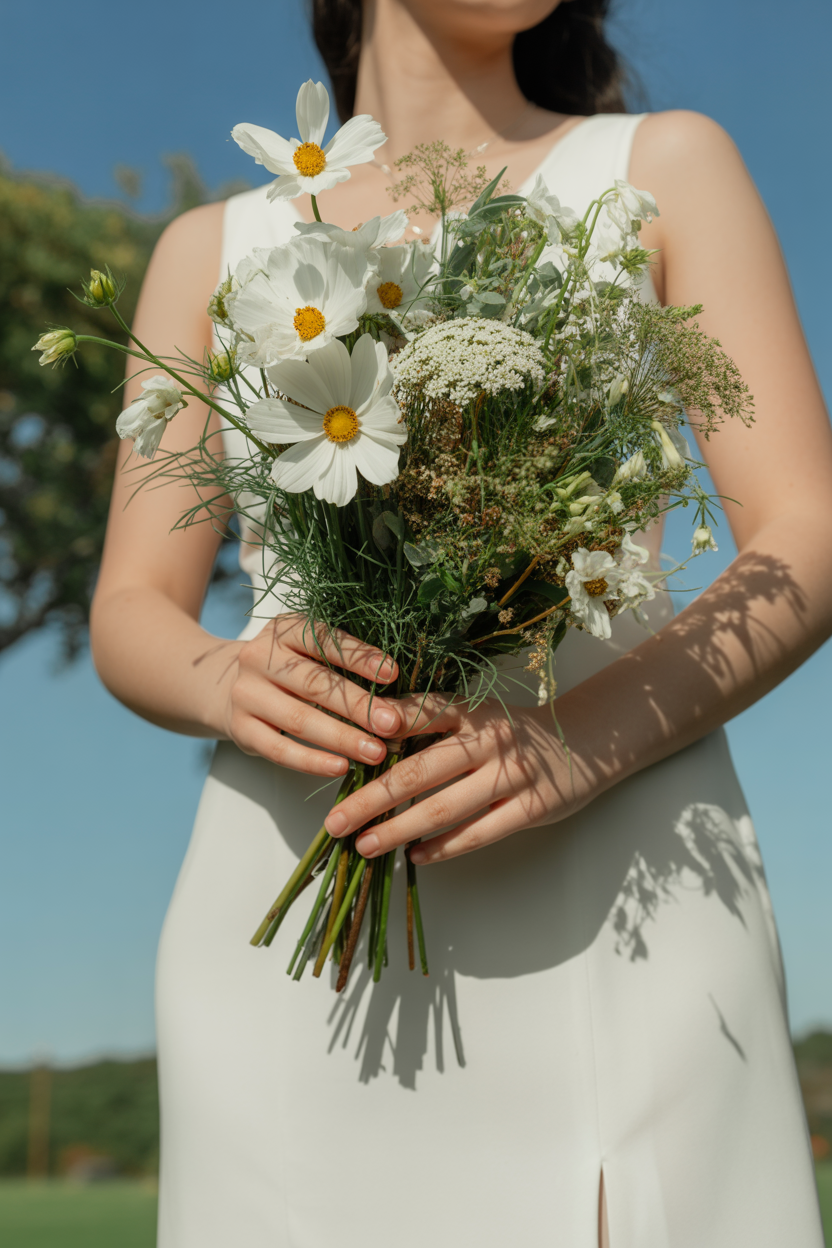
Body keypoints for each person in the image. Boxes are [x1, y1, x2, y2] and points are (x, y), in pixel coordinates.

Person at [89, 1, 832, 1244]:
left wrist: (573, 740)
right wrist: (226, 681)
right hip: (295, 929)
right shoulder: (210, 246)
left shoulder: (663, 167)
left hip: (627, 892)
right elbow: (131, 609)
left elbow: (804, 532)